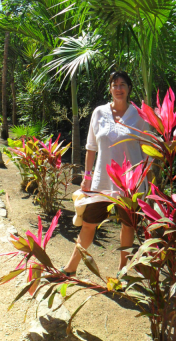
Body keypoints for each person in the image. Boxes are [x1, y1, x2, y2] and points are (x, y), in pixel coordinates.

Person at [62, 71, 147, 276]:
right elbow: (91, 147)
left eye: (123, 84)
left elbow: (148, 150)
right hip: (101, 181)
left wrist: (148, 183)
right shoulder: (99, 112)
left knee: (128, 226)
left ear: (129, 89)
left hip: (130, 183)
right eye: (115, 85)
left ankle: (122, 271)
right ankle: (70, 268)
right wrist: (87, 176)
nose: (118, 89)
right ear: (110, 89)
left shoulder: (139, 115)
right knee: (88, 224)